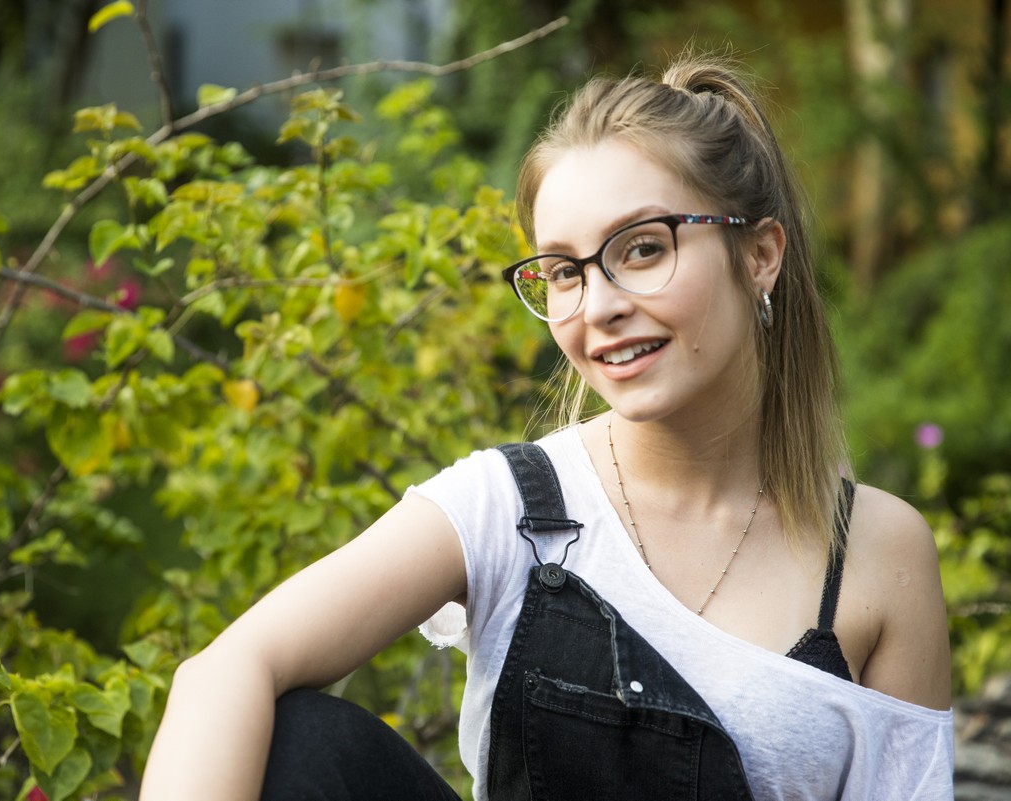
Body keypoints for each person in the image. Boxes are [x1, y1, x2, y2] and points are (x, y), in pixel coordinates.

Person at [139, 51, 954, 800]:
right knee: (301, 742)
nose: (597, 307)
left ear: (760, 254)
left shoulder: (877, 555)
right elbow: (224, 670)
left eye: (641, 248)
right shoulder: (512, 507)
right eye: (564, 270)